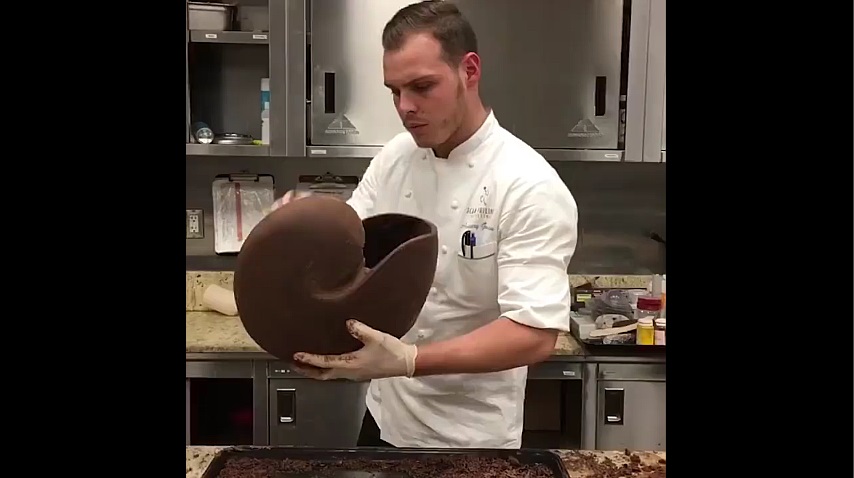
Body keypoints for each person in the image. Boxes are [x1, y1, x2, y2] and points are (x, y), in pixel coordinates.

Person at [272, 0, 578, 449]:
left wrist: (410, 359)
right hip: (385, 420)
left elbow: (533, 334)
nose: (405, 107)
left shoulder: (527, 184)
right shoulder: (396, 157)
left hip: (472, 439)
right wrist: (304, 229)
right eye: (394, 91)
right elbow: (350, 243)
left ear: (469, 70)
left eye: (422, 87)